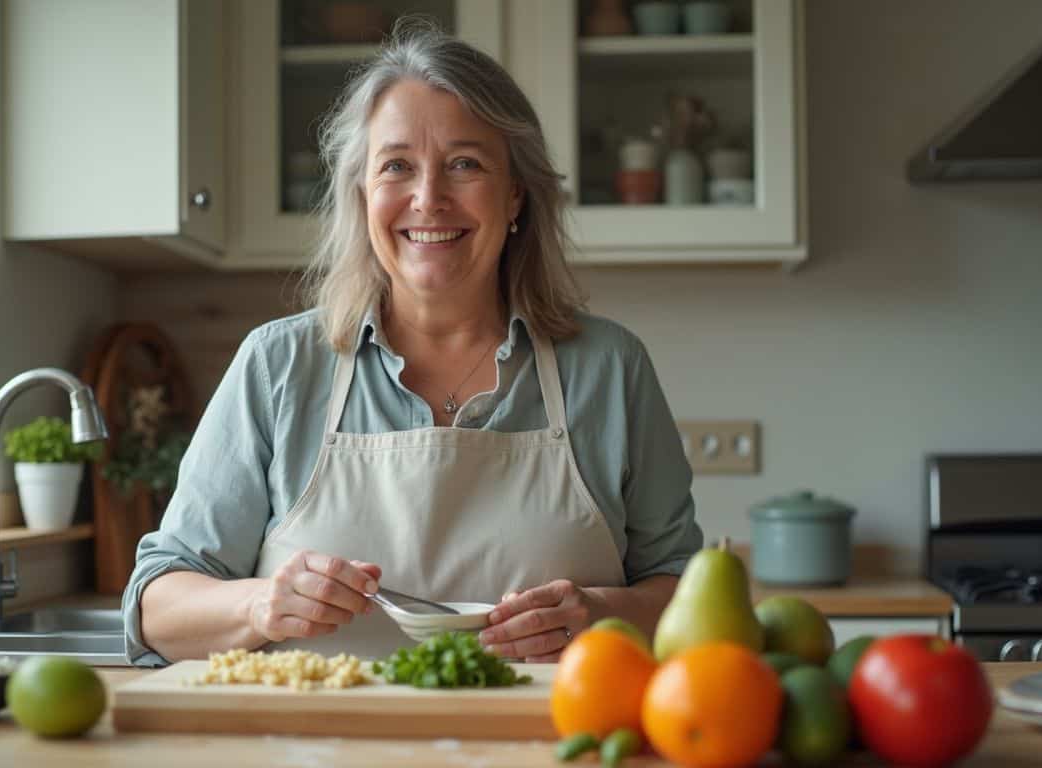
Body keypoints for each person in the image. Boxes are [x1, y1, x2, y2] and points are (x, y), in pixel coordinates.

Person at [122, 20, 703, 666]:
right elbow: (155, 607)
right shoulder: (278, 367)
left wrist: (599, 615)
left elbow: (692, 597)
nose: (429, 199)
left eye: (465, 164)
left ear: (515, 195)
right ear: (363, 193)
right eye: (397, 165)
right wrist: (260, 605)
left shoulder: (610, 370)